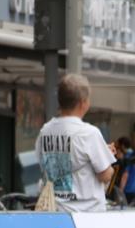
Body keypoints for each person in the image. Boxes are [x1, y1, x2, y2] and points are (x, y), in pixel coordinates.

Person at [35, 74, 116, 213]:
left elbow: (50, 164)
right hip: (87, 217)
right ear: (82, 102)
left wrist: (101, 151)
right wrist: (108, 161)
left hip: (56, 212)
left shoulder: (45, 132)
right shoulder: (89, 133)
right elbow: (105, 175)